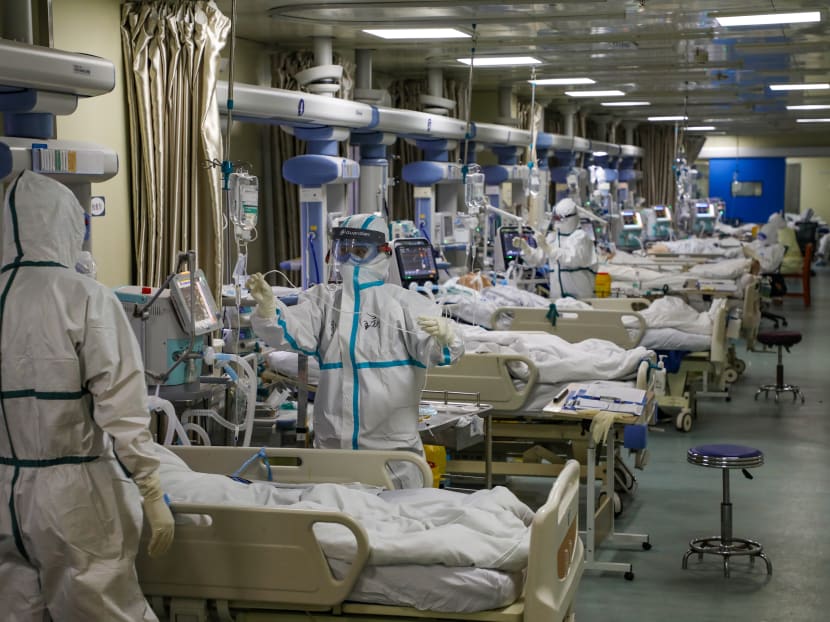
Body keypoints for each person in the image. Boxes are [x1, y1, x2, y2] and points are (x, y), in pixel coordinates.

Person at [0, 171, 174, 620]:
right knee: (102, 607)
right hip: (72, 496)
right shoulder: (84, 297)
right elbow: (123, 406)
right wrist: (151, 489)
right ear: (64, 226)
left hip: (4, 493)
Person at [247, 214, 464, 487]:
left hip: (392, 453)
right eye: (343, 250)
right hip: (334, 449)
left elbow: (439, 352)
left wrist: (447, 338)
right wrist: (269, 310)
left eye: (360, 252)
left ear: (383, 253)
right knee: (336, 523)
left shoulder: (405, 305)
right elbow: (290, 330)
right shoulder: (324, 302)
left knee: (396, 521)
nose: (350, 260)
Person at [513, 197, 598, 299]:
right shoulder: (553, 237)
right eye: (555, 218)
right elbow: (538, 260)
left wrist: (549, 249)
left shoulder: (581, 237)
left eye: (559, 219)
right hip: (558, 300)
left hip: (581, 299)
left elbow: (572, 259)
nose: (556, 222)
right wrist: (526, 249)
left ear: (571, 218)